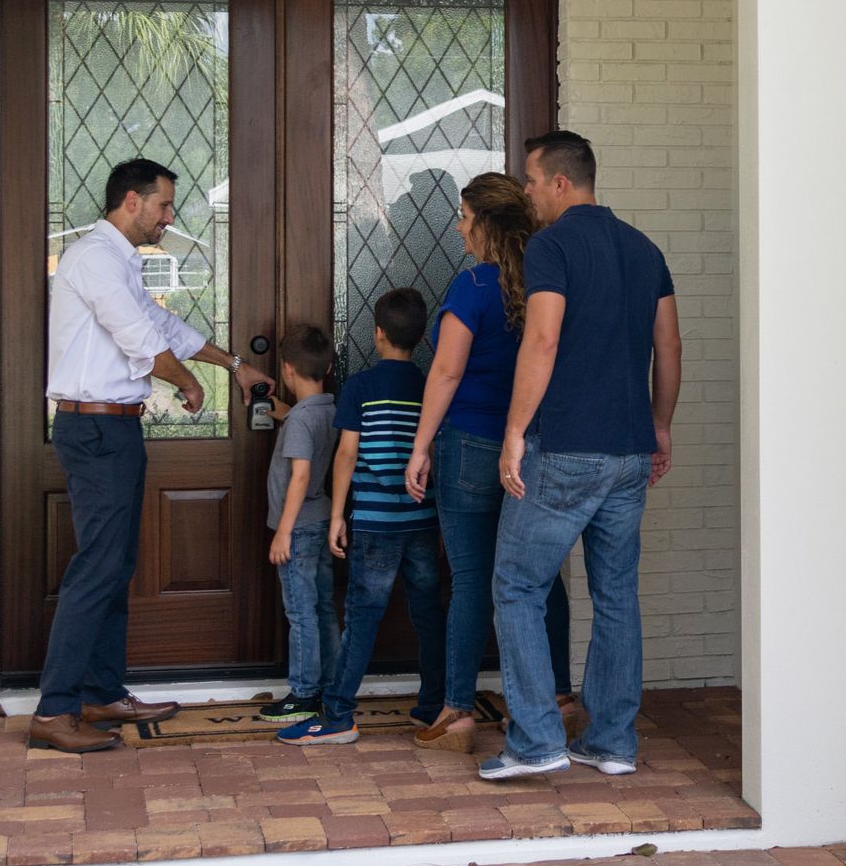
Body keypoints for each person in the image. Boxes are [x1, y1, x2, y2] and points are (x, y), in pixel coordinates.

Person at [32, 157, 273, 754]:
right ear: (132, 201)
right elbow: (139, 339)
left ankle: (101, 693)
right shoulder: (94, 258)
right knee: (97, 567)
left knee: (114, 565)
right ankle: (55, 709)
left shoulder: (119, 261)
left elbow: (161, 323)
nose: (169, 217)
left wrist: (234, 366)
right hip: (95, 430)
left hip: (113, 430)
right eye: (163, 205)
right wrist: (188, 383)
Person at [479, 132, 683, 781]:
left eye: (532, 180)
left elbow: (541, 340)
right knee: (616, 593)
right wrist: (660, 425)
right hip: (629, 451)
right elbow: (669, 347)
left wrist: (515, 430)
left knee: (518, 585)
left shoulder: (553, 245)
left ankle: (537, 741)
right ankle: (613, 741)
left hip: (566, 445)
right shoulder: (645, 250)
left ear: (561, 183)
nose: (528, 192)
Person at [403, 173, 577, 754]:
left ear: (485, 223)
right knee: (539, 574)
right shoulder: (547, 280)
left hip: (473, 446)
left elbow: (447, 371)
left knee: (474, 578)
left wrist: (420, 445)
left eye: (464, 217)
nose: (458, 228)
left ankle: (456, 711)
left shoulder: (474, 284)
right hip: (533, 446)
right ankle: (559, 698)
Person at [278, 287, 446, 746]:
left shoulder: (360, 387)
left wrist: (338, 515)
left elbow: (347, 454)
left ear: (377, 334)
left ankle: (337, 715)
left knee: (363, 617)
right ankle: (434, 705)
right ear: (422, 337)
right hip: (421, 519)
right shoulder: (431, 385)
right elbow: (434, 452)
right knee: (429, 614)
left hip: (374, 522)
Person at [257, 325, 341, 720]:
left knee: (301, 611)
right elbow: (310, 429)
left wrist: (283, 532)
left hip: (299, 528)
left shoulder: (300, 422)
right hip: (321, 519)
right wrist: (285, 413)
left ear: (287, 370)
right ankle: (331, 684)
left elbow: (301, 476)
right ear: (327, 368)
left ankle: (304, 693)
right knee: (323, 607)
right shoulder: (327, 409)